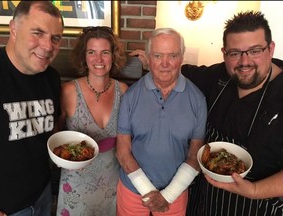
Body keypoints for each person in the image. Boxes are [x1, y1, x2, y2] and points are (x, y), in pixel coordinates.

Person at [131, 11, 283, 216]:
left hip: (256, 206)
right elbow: (176, 70)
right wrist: (154, 62)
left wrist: (254, 190)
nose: (244, 62)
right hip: (205, 201)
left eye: (255, 50)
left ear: (270, 48)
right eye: (235, 53)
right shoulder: (219, 76)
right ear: (224, 53)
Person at [116, 28, 207, 216]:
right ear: (148, 58)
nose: (165, 64)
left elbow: (195, 155)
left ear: (181, 57)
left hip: (174, 192)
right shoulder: (130, 96)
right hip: (133, 189)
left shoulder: (197, 99)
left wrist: (167, 195)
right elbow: (122, 152)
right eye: (158, 55)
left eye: (172, 55)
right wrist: (149, 193)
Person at [0, 1, 64, 216]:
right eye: (38, 33)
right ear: (13, 29)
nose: (47, 46)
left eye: (55, 38)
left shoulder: (52, 77)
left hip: (42, 197)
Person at [56, 26, 128, 216]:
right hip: (76, 184)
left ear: (113, 56)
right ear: (84, 56)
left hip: (112, 183)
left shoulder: (124, 91)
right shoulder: (68, 92)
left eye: (105, 52)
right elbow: (55, 136)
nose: (98, 60)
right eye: (91, 52)